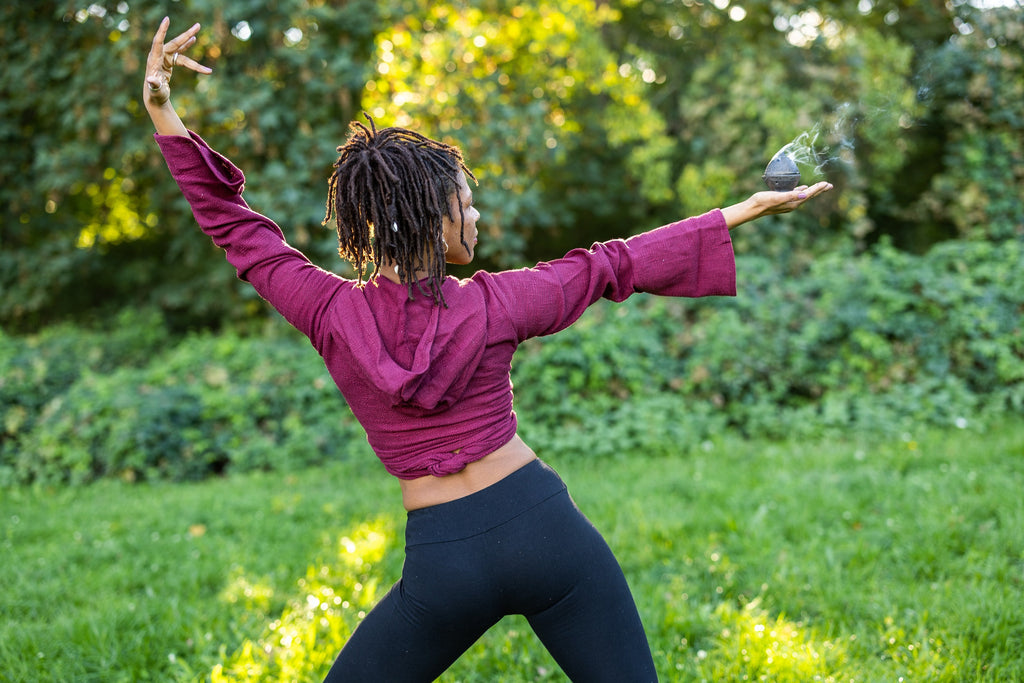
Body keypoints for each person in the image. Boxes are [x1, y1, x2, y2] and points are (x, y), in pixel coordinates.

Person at [144, 17, 832, 683]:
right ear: (430, 215)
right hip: (545, 530)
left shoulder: (327, 311)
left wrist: (162, 110)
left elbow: (240, 232)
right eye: (465, 203)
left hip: (445, 561)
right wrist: (736, 213)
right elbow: (612, 263)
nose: (475, 215)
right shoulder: (497, 300)